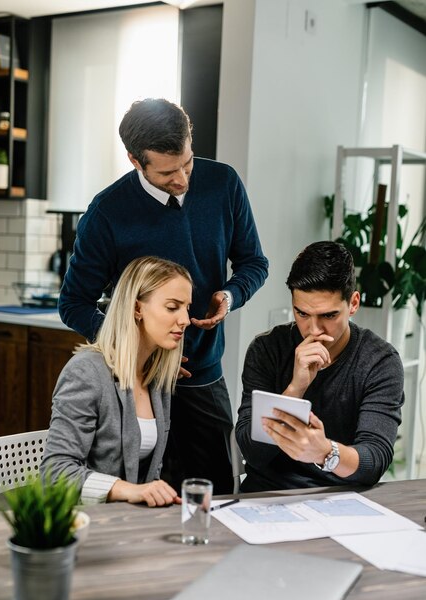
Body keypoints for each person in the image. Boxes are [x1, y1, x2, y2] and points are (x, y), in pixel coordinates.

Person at [58, 98, 269, 494]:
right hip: (139, 385)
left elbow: (254, 263)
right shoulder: (107, 213)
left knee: (219, 496)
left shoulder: (224, 183)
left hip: (204, 377)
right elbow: (73, 305)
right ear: (136, 161)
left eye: (187, 163)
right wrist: (137, 347)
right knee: (147, 496)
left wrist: (230, 294)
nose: (184, 179)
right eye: (169, 171)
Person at [235, 241, 404, 492]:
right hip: (267, 493)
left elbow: (375, 460)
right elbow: (252, 452)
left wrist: (326, 452)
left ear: (353, 304)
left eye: (328, 315)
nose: (314, 330)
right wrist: (295, 389)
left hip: (343, 497)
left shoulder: (380, 361)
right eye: (302, 314)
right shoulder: (267, 349)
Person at [41, 256, 192, 507]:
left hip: (130, 523)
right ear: (137, 308)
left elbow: (150, 474)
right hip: (85, 523)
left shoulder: (157, 378)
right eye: (172, 307)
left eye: (187, 307)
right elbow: (55, 474)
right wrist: (130, 491)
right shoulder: (86, 372)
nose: (185, 319)